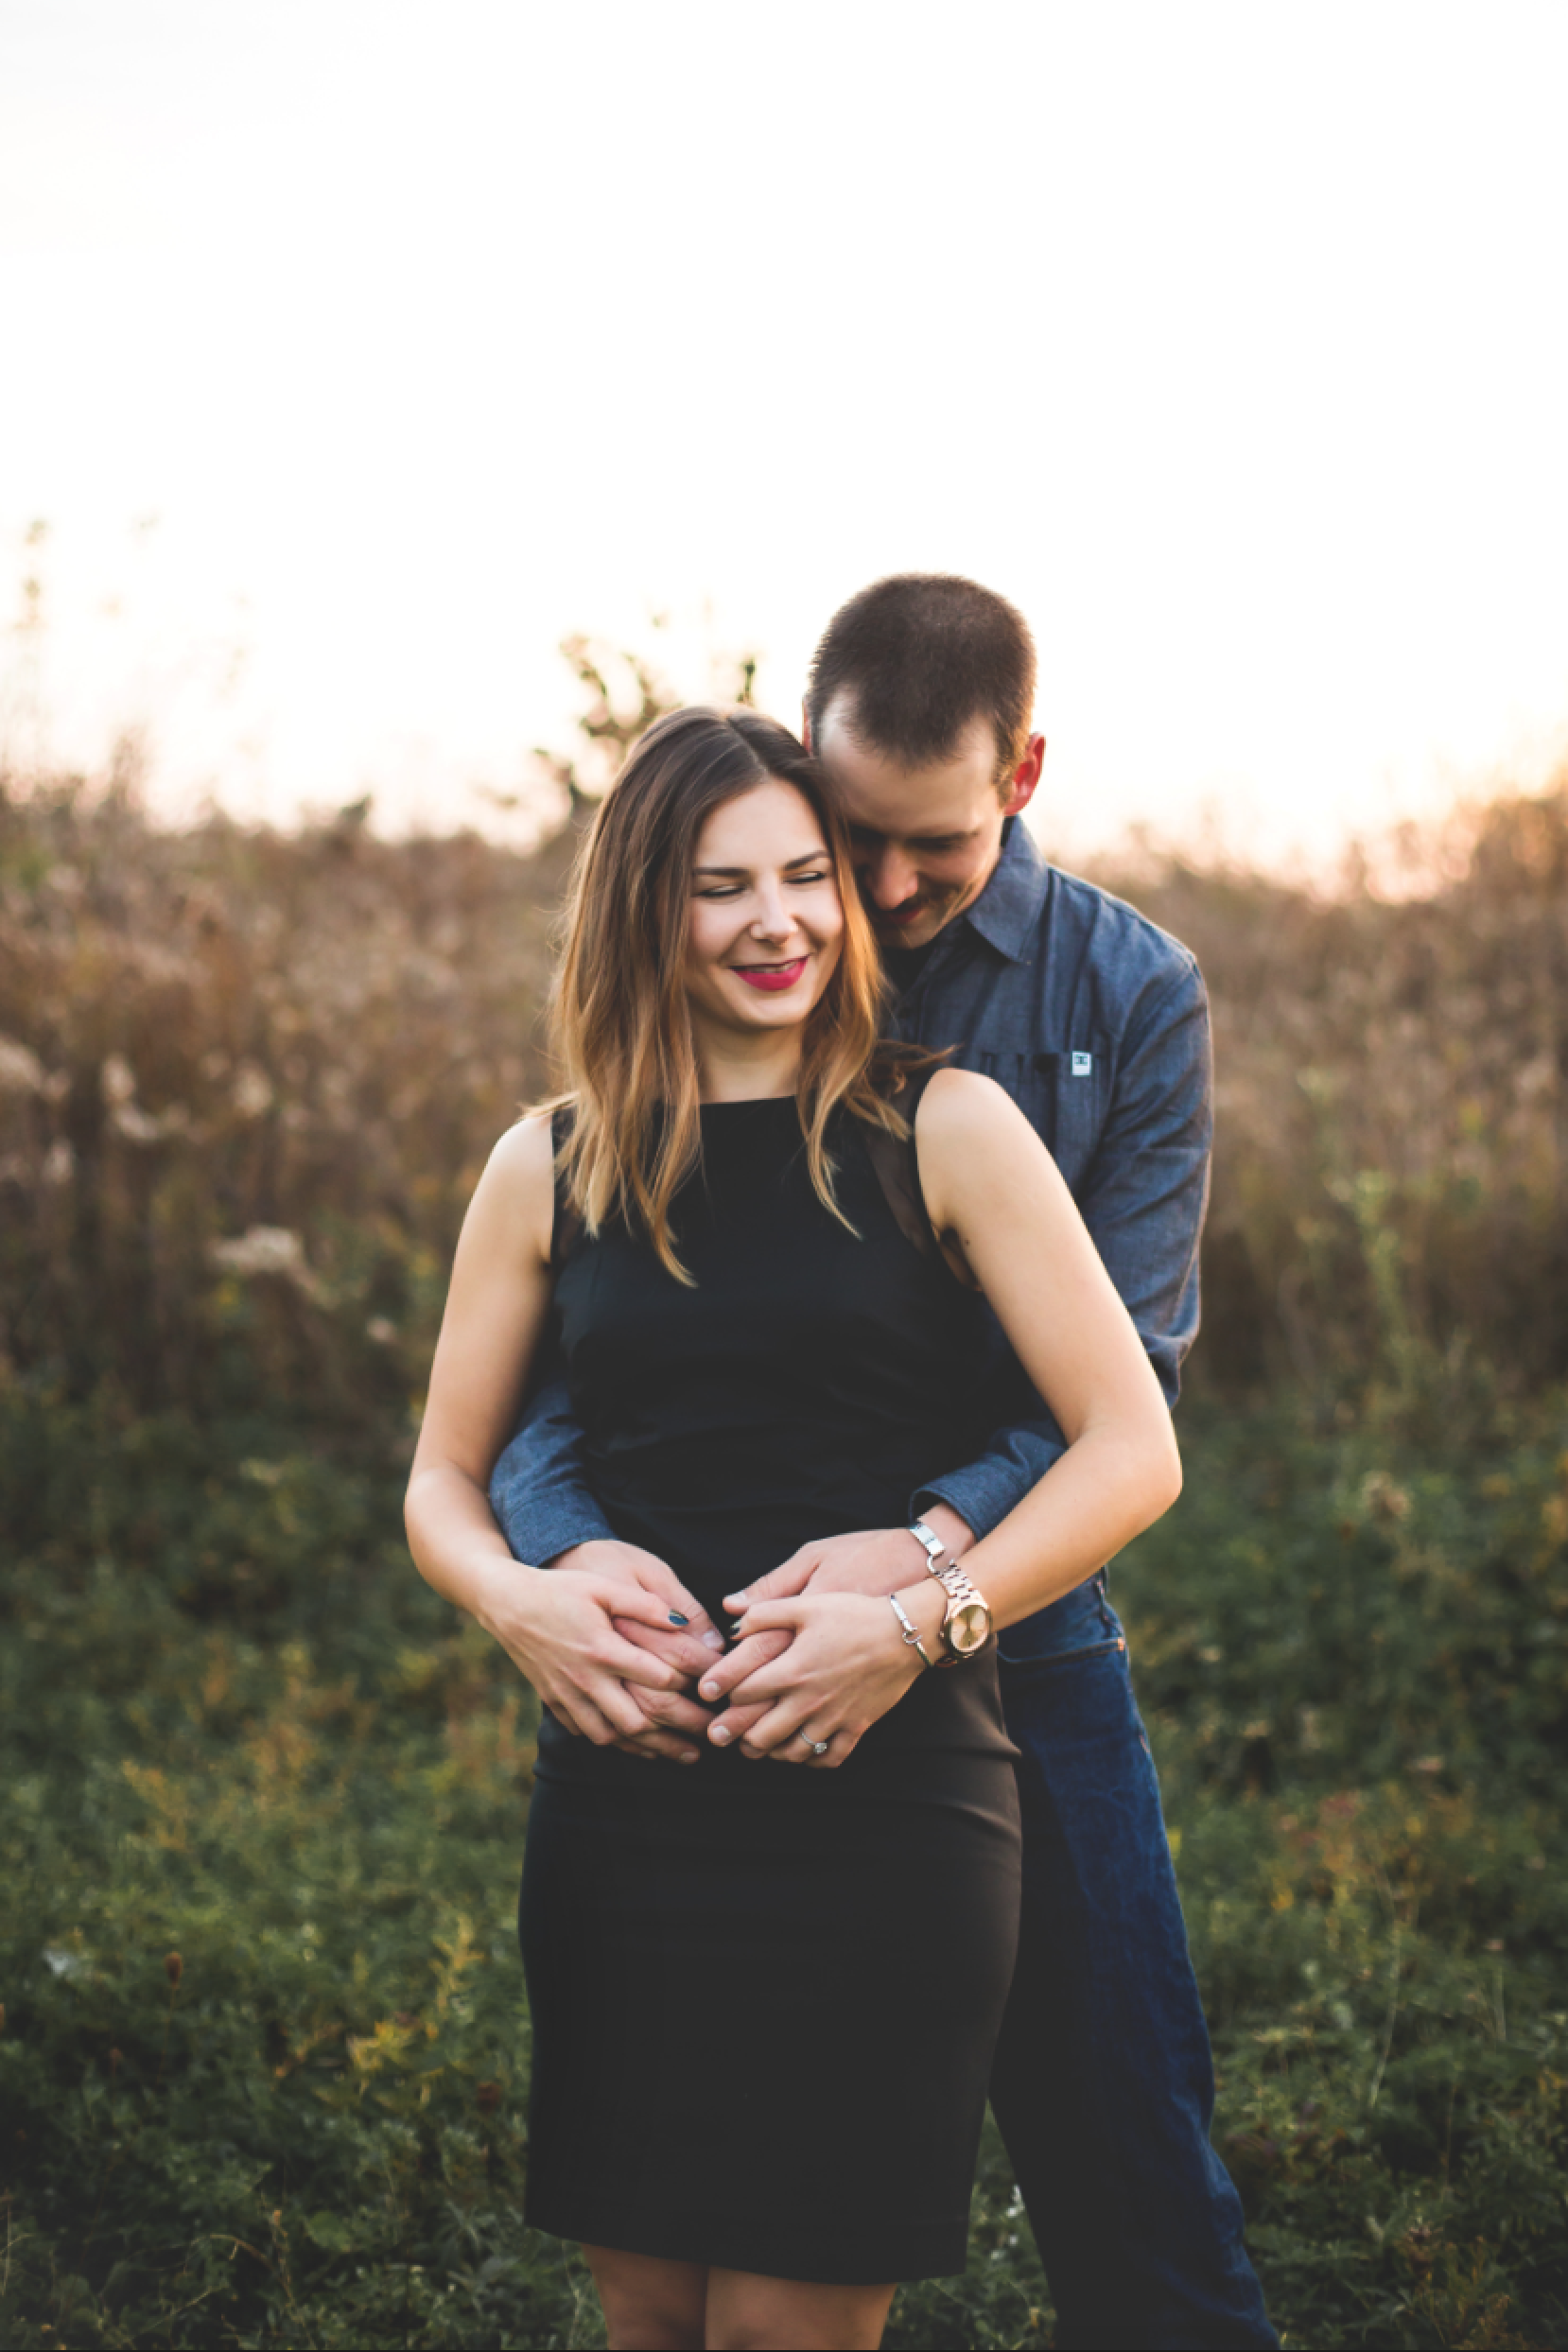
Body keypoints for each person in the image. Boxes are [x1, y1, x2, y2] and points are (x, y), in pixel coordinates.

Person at [491, 577, 1278, 2351]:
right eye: (851, 838)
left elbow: (1120, 1382)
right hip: (707, 1657)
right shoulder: (727, 959)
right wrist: (555, 1560)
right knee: (676, 2204)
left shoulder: (1124, 996)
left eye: (926, 845)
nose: (873, 893)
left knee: (1124, 2128)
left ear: (1024, 774)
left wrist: (919, 1568)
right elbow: (580, 1334)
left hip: (1024, 1627)